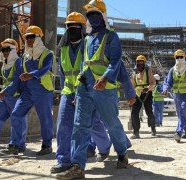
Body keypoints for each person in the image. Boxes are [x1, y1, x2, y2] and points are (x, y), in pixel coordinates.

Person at [56, 0, 129, 179]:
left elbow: (116, 61)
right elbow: (84, 65)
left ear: (103, 16)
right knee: (80, 126)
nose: (92, 18)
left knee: (111, 124)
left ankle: (121, 152)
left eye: (95, 14)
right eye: (89, 15)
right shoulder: (87, 39)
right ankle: (77, 166)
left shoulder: (112, 37)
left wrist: (106, 77)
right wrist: (78, 88)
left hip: (106, 88)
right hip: (85, 88)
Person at [51, 12, 111, 173]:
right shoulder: (63, 48)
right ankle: (64, 160)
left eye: (76, 27)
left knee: (93, 124)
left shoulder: (89, 45)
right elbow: (63, 73)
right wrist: (63, 92)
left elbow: (89, 71)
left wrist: (81, 92)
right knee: (63, 124)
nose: (72, 29)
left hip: (85, 91)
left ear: (83, 28)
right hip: (68, 90)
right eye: (69, 26)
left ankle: (105, 146)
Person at [0, 26, 55, 155]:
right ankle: (16, 145)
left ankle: (47, 145)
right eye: (27, 37)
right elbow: (17, 78)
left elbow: (45, 69)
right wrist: (5, 91)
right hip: (28, 91)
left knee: (45, 119)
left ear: (38, 38)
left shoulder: (48, 54)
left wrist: (32, 74)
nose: (29, 40)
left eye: (32, 37)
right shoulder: (24, 57)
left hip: (43, 90)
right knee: (16, 114)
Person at [87, 61, 136, 158]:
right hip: (91, 93)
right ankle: (92, 146)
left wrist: (130, 93)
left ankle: (123, 144)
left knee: (110, 122)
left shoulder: (115, 59)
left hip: (108, 94)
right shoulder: (87, 55)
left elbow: (124, 77)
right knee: (92, 121)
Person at [163, 49, 186, 143]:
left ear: (184, 57)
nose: (179, 59)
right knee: (181, 115)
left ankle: (178, 132)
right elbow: (168, 82)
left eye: (181, 57)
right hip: (177, 95)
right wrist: (165, 89)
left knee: (183, 111)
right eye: (177, 57)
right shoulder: (172, 70)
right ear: (175, 58)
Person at [130, 54, 156, 139]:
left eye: (141, 62)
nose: (140, 64)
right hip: (137, 94)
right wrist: (131, 95)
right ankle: (136, 132)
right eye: (138, 62)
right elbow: (132, 84)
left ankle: (153, 128)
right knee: (134, 113)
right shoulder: (134, 72)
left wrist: (148, 88)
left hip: (147, 93)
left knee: (149, 112)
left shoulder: (148, 71)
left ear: (144, 63)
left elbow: (153, 82)